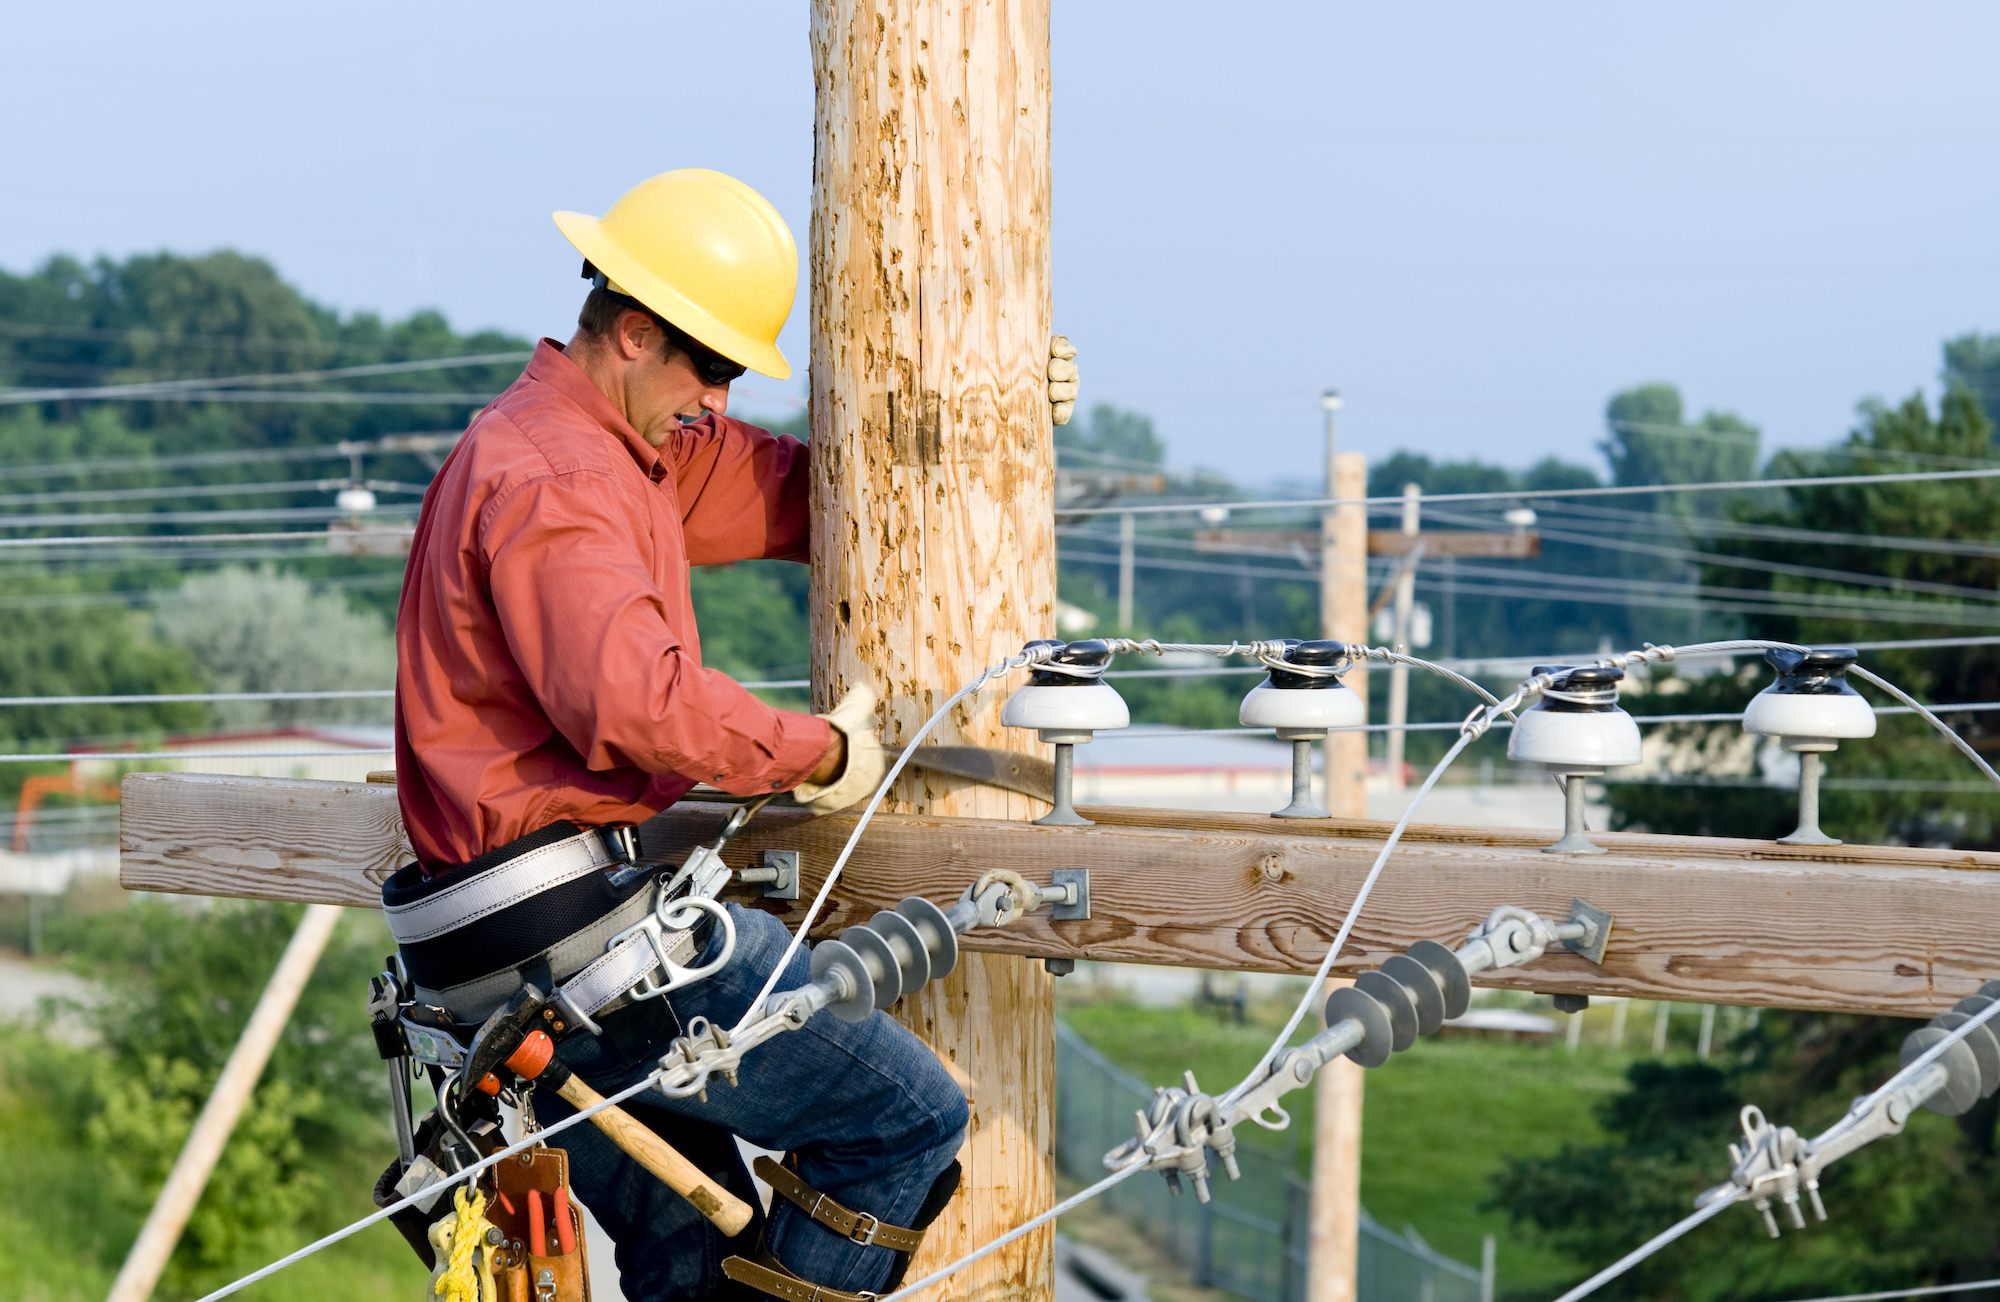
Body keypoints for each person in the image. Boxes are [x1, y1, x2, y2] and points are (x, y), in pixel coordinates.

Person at [387, 169, 970, 1302]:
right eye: (710, 367)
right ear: (637, 332)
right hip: (575, 943)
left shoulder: (607, 451)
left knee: (691, 1257)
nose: (718, 397)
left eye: (734, 374)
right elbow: (635, 702)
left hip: (501, 960)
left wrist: (989, 412)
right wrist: (820, 755)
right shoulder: (561, 476)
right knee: (906, 1121)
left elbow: (830, 497)